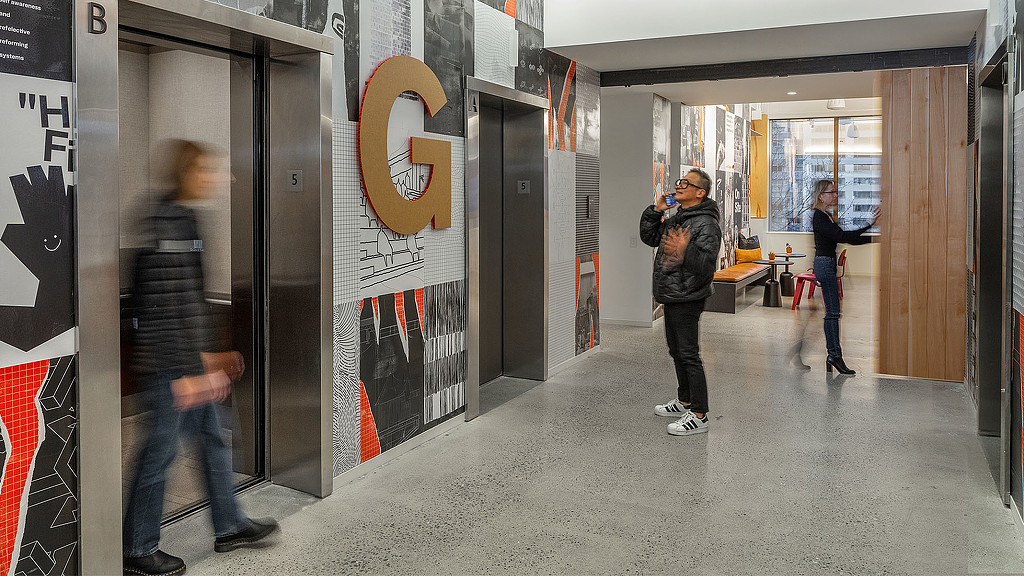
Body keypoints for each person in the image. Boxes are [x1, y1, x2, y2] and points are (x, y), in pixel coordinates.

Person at [123, 141, 278, 576]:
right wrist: (188, 374)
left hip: (187, 360)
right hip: (166, 365)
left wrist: (208, 358)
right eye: (208, 170)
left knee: (214, 438)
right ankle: (137, 548)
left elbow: (190, 304)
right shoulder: (162, 224)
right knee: (159, 452)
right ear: (187, 172)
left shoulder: (189, 219)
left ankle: (229, 524)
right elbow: (157, 309)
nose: (217, 178)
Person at [640, 168, 722, 436]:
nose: (679, 185)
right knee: (677, 351)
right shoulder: (680, 217)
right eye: (680, 181)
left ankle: (699, 414)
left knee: (688, 354)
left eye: (686, 183)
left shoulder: (706, 223)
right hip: (673, 294)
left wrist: (684, 250)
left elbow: (707, 266)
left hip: (688, 296)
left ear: (700, 192)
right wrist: (656, 210)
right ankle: (685, 400)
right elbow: (650, 237)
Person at [809, 179, 879, 375]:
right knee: (832, 313)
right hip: (823, 265)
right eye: (832, 192)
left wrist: (874, 238)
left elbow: (848, 238)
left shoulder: (826, 216)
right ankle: (834, 355)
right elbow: (843, 237)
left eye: (836, 192)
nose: (835, 195)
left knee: (833, 313)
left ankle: (834, 355)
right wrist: (869, 224)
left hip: (826, 264)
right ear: (821, 196)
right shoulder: (819, 217)